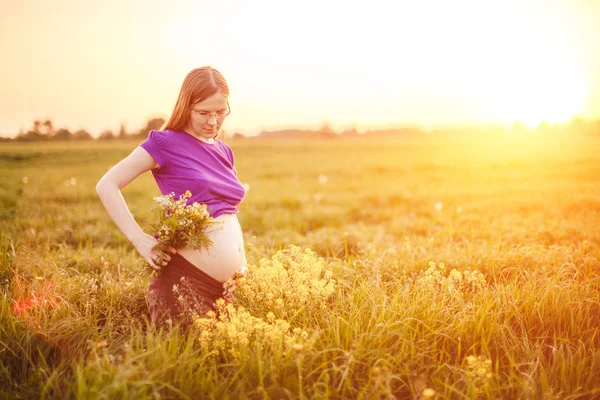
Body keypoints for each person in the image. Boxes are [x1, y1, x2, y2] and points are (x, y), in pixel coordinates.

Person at [96, 66, 247, 330]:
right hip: (184, 284)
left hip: (224, 292)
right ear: (186, 106)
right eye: (203, 113)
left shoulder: (224, 150)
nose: (213, 122)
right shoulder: (165, 143)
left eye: (220, 112)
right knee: (181, 366)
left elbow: (225, 211)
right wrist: (140, 240)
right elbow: (107, 184)